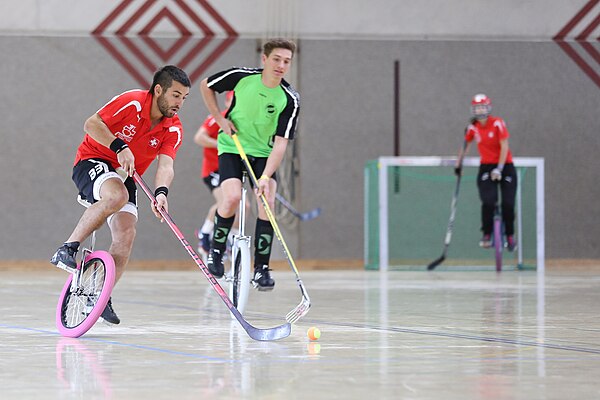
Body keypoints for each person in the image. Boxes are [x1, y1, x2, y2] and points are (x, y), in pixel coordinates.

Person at [50, 65, 191, 324]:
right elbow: (91, 124)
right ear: (158, 89)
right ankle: (67, 248)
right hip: (92, 160)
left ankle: (100, 295)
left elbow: (166, 165)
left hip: (126, 175)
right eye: (175, 95)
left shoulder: (173, 128)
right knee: (117, 196)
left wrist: (161, 193)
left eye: (184, 97)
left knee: (127, 234)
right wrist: (119, 145)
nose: (180, 103)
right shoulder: (133, 102)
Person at [199, 38, 300, 291]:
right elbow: (206, 85)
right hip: (232, 146)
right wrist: (220, 120)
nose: (281, 65)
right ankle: (216, 252)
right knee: (231, 197)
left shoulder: (289, 99)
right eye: (276, 59)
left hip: (263, 153)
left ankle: (261, 268)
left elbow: (280, 144)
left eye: (286, 61)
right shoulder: (241, 77)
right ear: (264, 59)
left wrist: (265, 177)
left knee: (267, 200)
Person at [455, 93, 517, 251]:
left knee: (508, 204)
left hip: (505, 166)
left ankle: (510, 235)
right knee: (488, 201)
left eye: (483, 106)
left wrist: (500, 168)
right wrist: (458, 163)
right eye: (477, 107)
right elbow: (465, 145)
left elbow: (504, 146)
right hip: (486, 167)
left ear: (488, 107)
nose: (480, 110)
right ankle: (487, 233)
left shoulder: (498, 123)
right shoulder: (472, 127)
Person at [193, 91, 238, 258]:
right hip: (214, 170)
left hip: (232, 170)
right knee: (226, 200)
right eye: (232, 102)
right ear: (227, 103)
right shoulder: (218, 118)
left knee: (243, 206)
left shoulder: (244, 121)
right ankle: (205, 233)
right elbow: (199, 137)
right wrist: (221, 144)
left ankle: (229, 237)